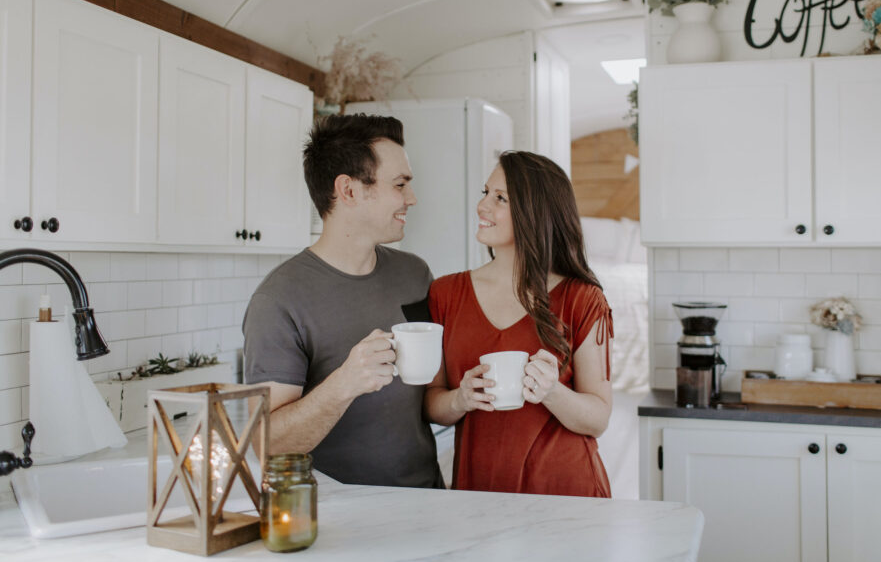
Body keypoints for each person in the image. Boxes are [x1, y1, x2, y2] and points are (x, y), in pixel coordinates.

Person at [243, 113, 443, 488]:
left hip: (428, 501)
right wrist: (345, 383)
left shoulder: (415, 275)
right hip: (339, 521)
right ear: (348, 191)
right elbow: (266, 445)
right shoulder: (278, 299)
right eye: (400, 184)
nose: (411, 199)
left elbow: (432, 394)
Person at [424, 151, 613, 497]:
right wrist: (461, 399)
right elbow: (432, 402)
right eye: (485, 192)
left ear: (533, 213)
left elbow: (598, 417)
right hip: (481, 489)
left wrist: (552, 392)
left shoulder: (582, 299)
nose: (482, 206)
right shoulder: (445, 293)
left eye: (499, 198)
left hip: (567, 493)